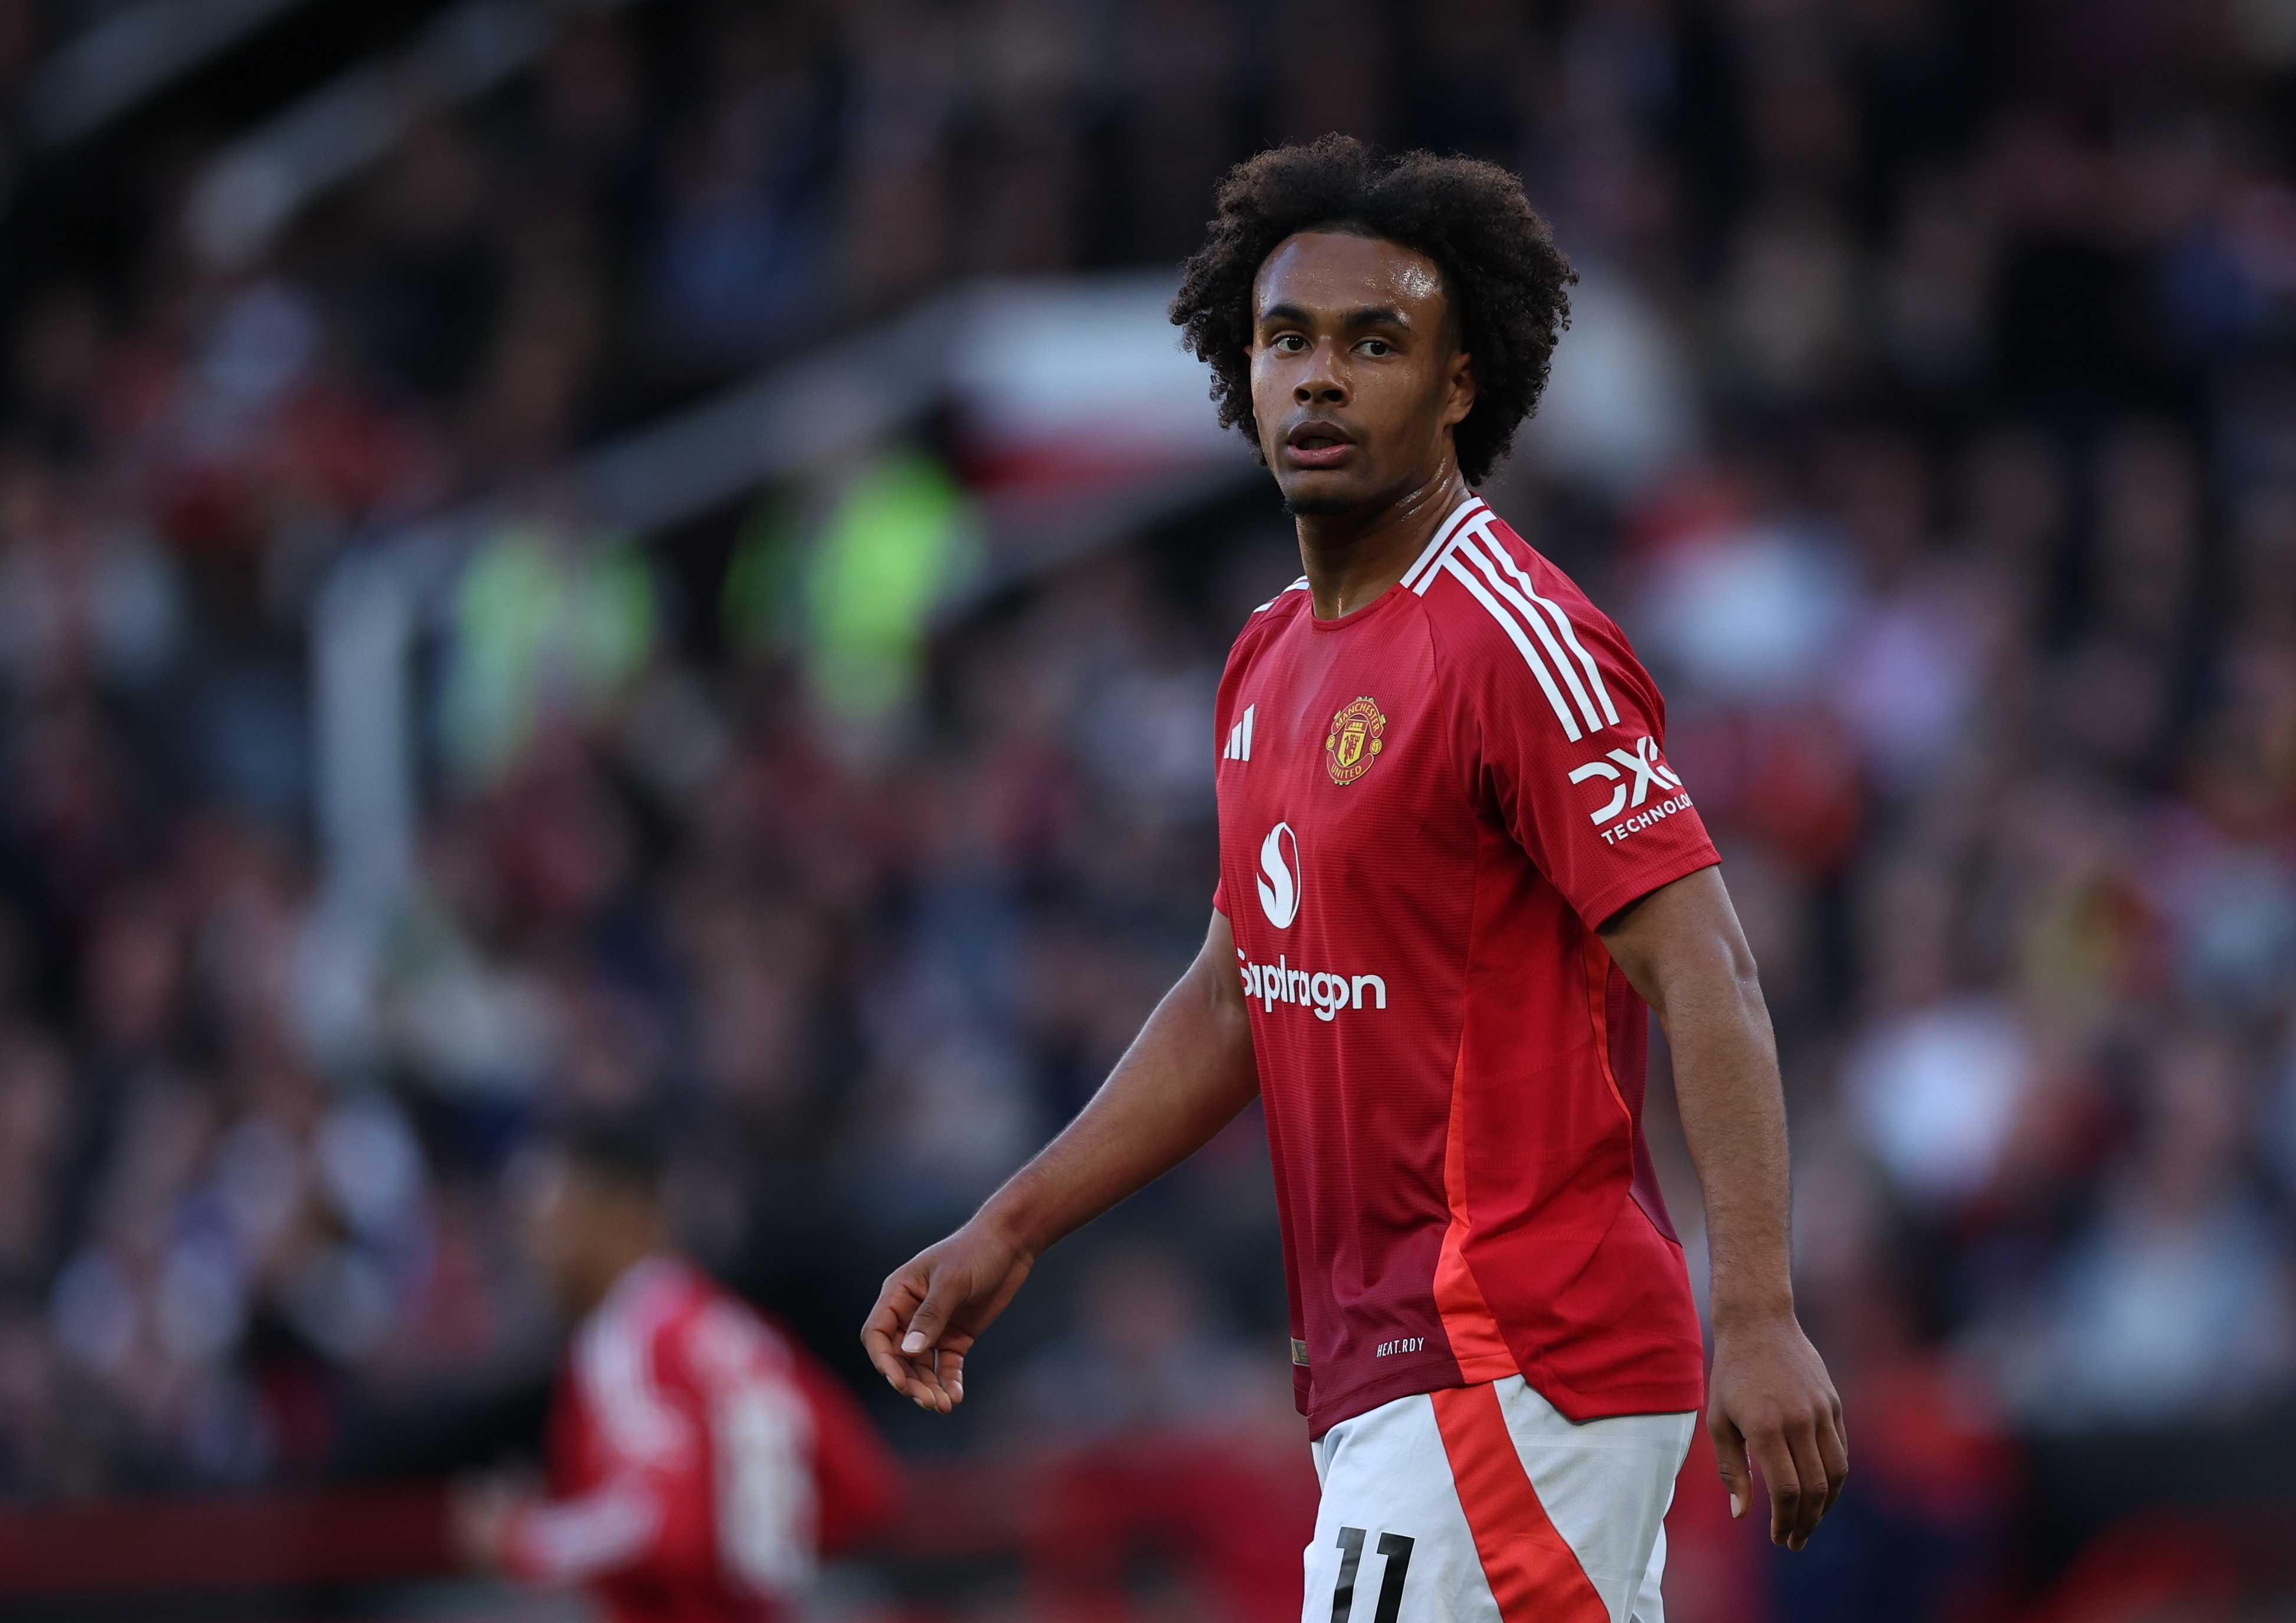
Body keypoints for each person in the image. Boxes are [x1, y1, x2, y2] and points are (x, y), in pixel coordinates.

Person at [863, 135, 1849, 1622]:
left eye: (1372, 343)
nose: (1318, 378)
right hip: (1400, 1377)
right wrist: (1010, 1221)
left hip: (1513, 1353)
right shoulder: (1267, 655)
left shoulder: (1510, 638)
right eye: (1287, 341)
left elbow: (1705, 964)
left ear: (1457, 385)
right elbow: (1232, 995)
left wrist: (1758, 1308)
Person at [458, 1119, 899, 1623]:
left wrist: (525, 1539)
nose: (535, 1244)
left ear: (619, 1214)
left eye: (552, 1213)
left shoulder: (628, 1336)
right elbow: (865, 1489)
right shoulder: (732, 1328)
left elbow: (657, 1520)